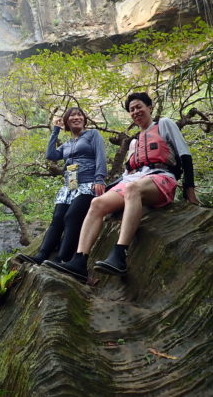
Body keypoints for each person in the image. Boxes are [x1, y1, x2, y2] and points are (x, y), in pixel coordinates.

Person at [44, 92, 199, 282]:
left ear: (149, 107)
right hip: (134, 179)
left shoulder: (164, 124)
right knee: (97, 203)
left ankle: (119, 254)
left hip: (161, 176)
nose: (135, 111)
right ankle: (79, 261)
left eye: (139, 107)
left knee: (133, 189)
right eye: (132, 109)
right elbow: (127, 173)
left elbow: (185, 154)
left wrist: (189, 189)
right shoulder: (134, 141)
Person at [18, 106, 107, 265]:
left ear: (84, 119)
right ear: (67, 122)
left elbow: (101, 155)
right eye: (72, 116)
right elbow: (50, 155)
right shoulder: (67, 144)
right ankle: (41, 256)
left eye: (79, 115)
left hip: (88, 183)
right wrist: (55, 130)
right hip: (70, 185)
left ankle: (62, 258)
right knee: (57, 219)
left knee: (71, 216)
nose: (76, 117)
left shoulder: (92, 134)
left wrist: (99, 179)